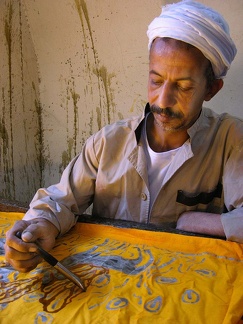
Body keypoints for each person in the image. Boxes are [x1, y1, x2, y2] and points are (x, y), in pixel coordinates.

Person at [5, 0, 243, 273]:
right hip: (108, 284)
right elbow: (61, 200)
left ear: (211, 89)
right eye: (156, 81)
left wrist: (195, 222)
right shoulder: (108, 142)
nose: (162, 101)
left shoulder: (231, 140)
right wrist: (41, 226)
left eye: (184, 87)